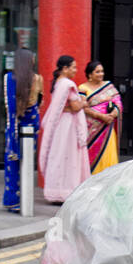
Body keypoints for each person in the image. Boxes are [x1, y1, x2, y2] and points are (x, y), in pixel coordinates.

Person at [38, 56, 91, 204]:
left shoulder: (58, 83)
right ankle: (69, 191)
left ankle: (55, 191)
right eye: (73, 67)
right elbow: (75, 106)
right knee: (70, 158)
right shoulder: (68, 84)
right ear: (65, 68)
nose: (75, 70)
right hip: (69, 126)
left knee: (59, 157)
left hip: (61, 125)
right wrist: (84, 102)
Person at [2, 47, 43, 212]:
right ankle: (24, 200)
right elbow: (39, 104)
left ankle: (13, 200)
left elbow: (10, 108)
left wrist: (12, 129)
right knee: (26, 163)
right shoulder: (37, 79)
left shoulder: (9, 78)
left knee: (12, 163)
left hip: (15, 127)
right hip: (30, 128)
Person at [78, 59, 123, 174]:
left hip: (107, 129)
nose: (101, 74)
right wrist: (101, 116)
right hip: (91, 130)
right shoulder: (83, 88)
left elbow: (118, 102)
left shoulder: (109, 86)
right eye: (97, 72)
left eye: (102, 71)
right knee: (91, 156)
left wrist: (111, 115)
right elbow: (84, 107)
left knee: (108, 156)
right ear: (90, 74)